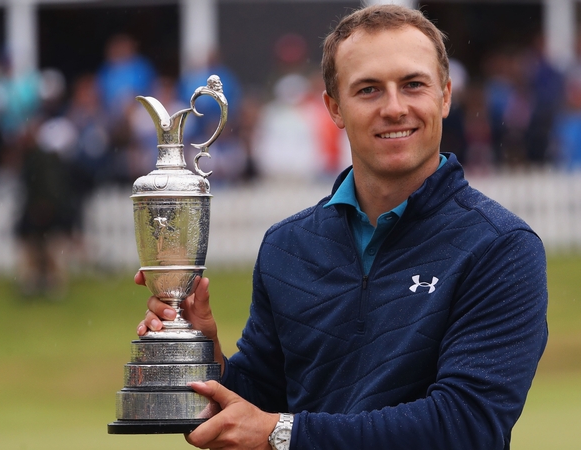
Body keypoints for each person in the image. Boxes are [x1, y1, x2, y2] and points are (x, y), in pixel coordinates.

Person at [137, 5, 548, 449]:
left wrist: (283, 435)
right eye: (368, 90)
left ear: (445, 96)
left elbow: (465, 426)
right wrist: (201, 351)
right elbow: (258, 404)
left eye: (413, 85)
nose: (394, 108)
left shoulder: (500, 247)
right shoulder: (288, 246)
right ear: (334, 108)